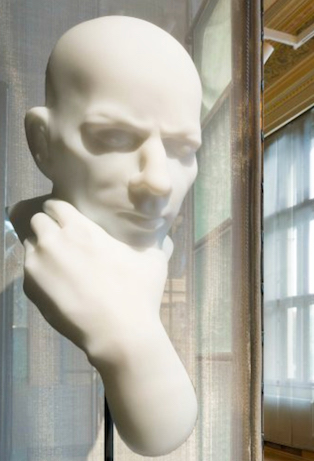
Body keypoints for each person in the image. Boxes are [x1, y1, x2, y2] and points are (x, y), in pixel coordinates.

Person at [8, 16, 201, 457]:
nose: (159, 182)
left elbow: (164, 435)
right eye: (114, 138)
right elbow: (160, 430)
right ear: (42, 142)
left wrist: (128, 333)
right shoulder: (17, 244)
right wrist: (128, 338)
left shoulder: (155, 249)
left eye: (183, 149)